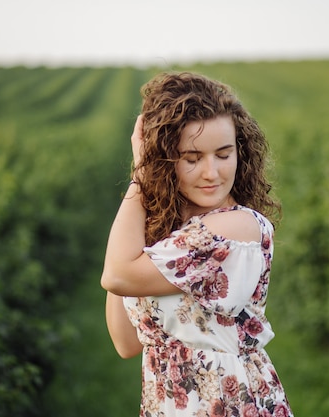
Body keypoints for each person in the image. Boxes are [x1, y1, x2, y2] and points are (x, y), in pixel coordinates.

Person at [101, 71, 293, 417]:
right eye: (192, 158)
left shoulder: (237, 229)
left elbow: (116, 274)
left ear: (240, 152)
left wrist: (140, 176)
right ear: (167, 161)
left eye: (223, 154)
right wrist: (148, 209)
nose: (212, 172)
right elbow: (126, 343)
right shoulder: (171, 237)